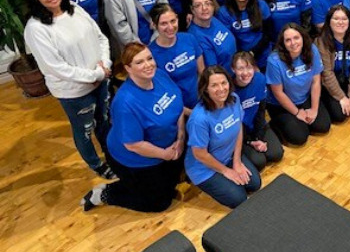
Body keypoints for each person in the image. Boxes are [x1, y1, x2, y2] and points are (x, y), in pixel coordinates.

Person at [24, 0, 115, 180]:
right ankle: (96, 164)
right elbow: (55, 67)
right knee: (84, 129)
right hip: (74, 91)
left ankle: (112, 155)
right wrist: (93, 74)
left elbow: (100, 37)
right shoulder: (36, 28)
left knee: (104, 120)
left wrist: (105, 65)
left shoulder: (75, 9)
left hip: (100, 79)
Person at [81, 43, 186, 212]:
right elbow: (133, 145)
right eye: (139, 62)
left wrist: (180, 138)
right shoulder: (125, 103)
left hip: (169, 146)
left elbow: (178, 106)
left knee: (170, 185)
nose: (148, 64)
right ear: (128, 68)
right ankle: (105, 194)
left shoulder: (160, 75)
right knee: (159, 203)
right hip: (136, 159)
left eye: (149, 58)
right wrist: (164, 154)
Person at [185, 66, 262, 208]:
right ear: (206, 89)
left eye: (223, 83)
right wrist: (226, 171)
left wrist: (237, 162)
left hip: (227, 156)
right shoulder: (199, 119)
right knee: (239, 199)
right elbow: (200, 154)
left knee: (255, 184)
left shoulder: (234, 99)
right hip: (203, 168)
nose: (221, 89)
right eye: (214, 85)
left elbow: (238, 127)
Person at [265, 23, 331, 145]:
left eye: (296, 38)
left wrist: (314, 109)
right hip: (280, 104)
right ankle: (275, 124)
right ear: (283, 43)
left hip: (304, 98)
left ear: (302, 37)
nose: (293, 43)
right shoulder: (274, 61)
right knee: (299, 138)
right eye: (288, 40)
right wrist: (297, 112)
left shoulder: (312, 50)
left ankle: (299, 122)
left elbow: (316, 81)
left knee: (322, 126)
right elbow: (278, 93)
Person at [231, 52, 284, 169]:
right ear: (233, 69)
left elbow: (261, 111)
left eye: (249, 67)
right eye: (240, 68)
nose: (245, 73)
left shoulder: (260, 79)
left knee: (276, 154)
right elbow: (233, 125)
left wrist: (258, 138)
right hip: (238, 134)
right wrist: (250, 142)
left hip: (256, 126)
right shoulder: (229, 91)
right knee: (259, 162)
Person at [148, 4, 205, 108]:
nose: (170, 27)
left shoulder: (189, 39)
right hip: (177, 109)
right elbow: (163, 94)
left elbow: (202, 72)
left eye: (173, 21)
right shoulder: (151, 55)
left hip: (201, 102)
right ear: (154, 25)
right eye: (164, 23)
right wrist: (190, 113)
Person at [217, 0, 273, 69]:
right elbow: (229, 40)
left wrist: (253, 52)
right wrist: (244, 57)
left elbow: (268, 33)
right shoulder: (224, 12)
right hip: (239, 59)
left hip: (263, 54)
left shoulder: (261, 5)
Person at [187, 0, 237, 73]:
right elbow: (213, 70)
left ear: (213, 6)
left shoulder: (213, 19)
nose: (204, 8)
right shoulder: (196, 37)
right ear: (192, 10)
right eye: (198, 5)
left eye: (207, 3)